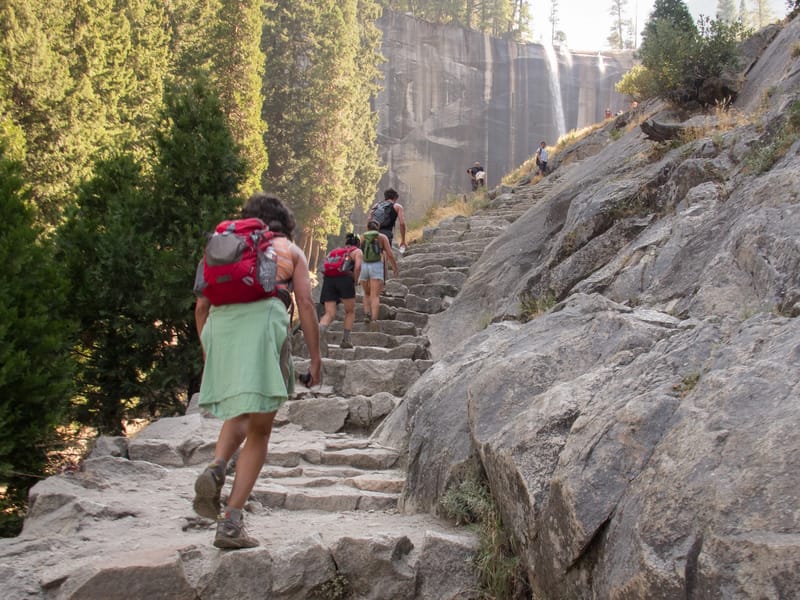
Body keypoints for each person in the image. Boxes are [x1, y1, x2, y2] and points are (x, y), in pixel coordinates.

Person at [192, 192, 322, 550]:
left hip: (222, 328)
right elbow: (307, 305)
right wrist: (315, 360)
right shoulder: (290, 252)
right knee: (260, 431)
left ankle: (218, 465)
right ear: (286, 223)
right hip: (264, 325)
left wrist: (210, 354)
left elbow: (201, 306)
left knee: (237, 414)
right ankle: (231, 523)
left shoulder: (225, 246)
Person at [318, 233, 363, 355]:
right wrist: (355, 279)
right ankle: (346, 339)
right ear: (358, 243)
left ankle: (318, 332)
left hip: (329, 280)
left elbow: (324, 267)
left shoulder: (335, 251)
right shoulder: (357, 251)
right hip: (345, 279)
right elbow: (358, 266)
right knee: (349, 311)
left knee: (329, 313)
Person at [359, 220, 398, 331]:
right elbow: (389, 253)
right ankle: (374, 320)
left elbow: (359, 253)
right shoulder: (382, 237)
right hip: (376, 266)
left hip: (364, 266)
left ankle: (367, 314)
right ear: (378, 227)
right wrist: (395, 267)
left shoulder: (362, 237)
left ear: (367, 227)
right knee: (375, 295)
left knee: (366, 294)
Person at [367, 188, 407, 252]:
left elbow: (369, 219)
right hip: (387, 233)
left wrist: (369, 233)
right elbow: (402, 224)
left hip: (374, 232)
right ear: (395, 198)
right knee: (385, 254)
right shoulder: (397, 206)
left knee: (374, 254)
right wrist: (403, 240)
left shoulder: (376, 205)